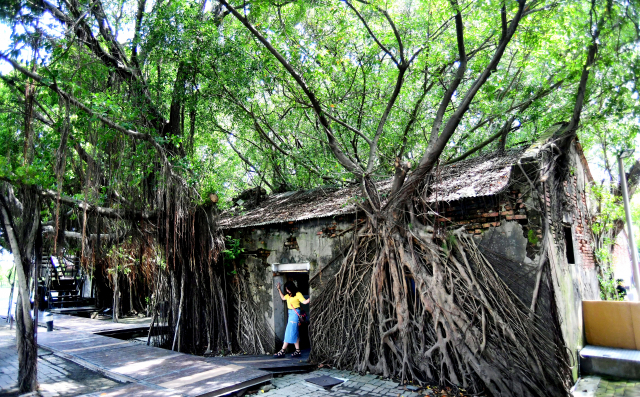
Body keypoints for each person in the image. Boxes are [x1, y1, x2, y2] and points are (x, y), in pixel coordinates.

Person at [274, 281, 309, 358]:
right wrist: (279, 289)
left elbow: (305, 302)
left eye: (288, 289)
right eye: (286, 289)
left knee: (289, 332)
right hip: (290, 314)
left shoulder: (298, 294)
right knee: (294, 332)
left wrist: (311, 297)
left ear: (292, 288)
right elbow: (283, 298)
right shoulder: (288, 295)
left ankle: (282, 351)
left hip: (295, 314)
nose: (287, 290)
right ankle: (298, 351)